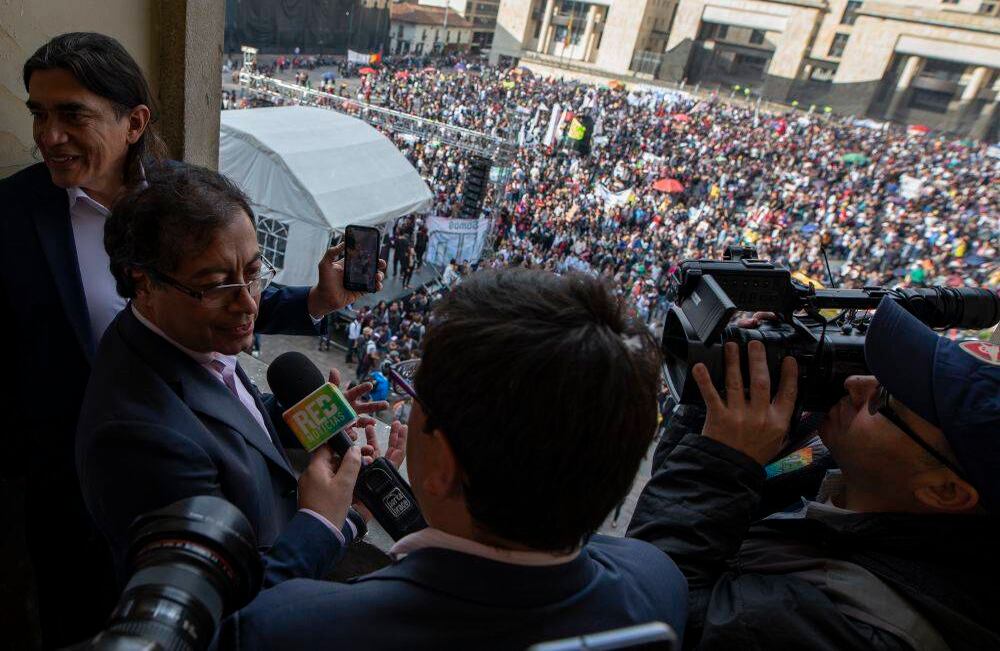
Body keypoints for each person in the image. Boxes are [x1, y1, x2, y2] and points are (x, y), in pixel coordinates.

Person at [218, 269, 688, 650]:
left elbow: (244, 622)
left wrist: (318, 527)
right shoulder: (658, 581)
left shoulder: (296, 628)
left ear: (443, 466)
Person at [76, 164, 389, 588]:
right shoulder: (137, 438)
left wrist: (302, 418)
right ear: (144, 283)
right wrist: (324, 521)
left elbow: (225, 418)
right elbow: (230, 610)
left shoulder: (181, 336)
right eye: (218, 285)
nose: (248, 304)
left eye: (254, 273)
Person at [628, 298, 1000, 650]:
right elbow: (682, 515)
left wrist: (722, 460)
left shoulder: (862, 628)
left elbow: (644, 604)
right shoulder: (834, 468)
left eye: (884, 397)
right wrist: (722, 397)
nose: (857, 385)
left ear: (945, 491)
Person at [0, 32, 169, 647]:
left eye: (72, 113)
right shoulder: (13, 214)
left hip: (179, 476)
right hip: (68, 500)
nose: (49, 135)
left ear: (134, 122)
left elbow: (220, 297)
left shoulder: (183, 199)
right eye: (39, 114)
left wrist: (314, 304)